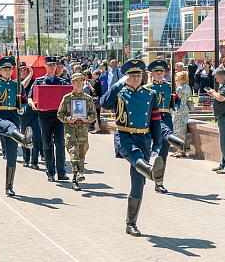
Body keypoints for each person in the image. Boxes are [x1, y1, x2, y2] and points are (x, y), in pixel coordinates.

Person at [101, 59, 164, 237]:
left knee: (138, 183)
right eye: (132, 75)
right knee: (136, 156)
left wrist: (157, 144)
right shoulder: (120, 92)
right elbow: (104, 103)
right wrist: (116, 85)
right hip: (125, 135)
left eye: (138, 75)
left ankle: (131, 223)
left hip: (143, 137)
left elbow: (155, 121)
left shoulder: (150, 94)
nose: (136, 78)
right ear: (126, 76)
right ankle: (152, 172)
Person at [0, 56, 33, 196]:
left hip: (14, 116)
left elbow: (23, 100)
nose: (8, 71)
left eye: (10, 69)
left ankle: (9, 186)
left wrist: (22, 107)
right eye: (5, 69)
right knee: (10, 128)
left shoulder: (17, 85)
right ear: (0, 70)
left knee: (11, 155)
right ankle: (24, 139)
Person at [144, 60, 191, 193]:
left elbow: (176, 100)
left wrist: (175, 106)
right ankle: (143, 176)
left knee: (163, 153)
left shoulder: (169, 87)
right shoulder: (147, 87)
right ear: (152, 73)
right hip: (151, 119)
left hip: (165, 117)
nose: (160, 74)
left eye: (162, 72)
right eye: (157, 72)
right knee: (145, 152)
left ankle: (159, 182)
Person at [28, 56, 70, 182]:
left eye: (54, 65)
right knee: (47, 144)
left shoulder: (62, 82)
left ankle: (61, 172)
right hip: (44, 116)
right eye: (50, 65)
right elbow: (30, 97)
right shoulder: (39, 82)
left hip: (58, 117)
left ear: (56, 67)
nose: (52, 67)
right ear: (46, 66)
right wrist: (32, 104)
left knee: (60, 143)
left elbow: (69, 96)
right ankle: (50, 172)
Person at [57, 72, 97, 191]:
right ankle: (77, 174)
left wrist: (88, 119)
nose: (79, 83)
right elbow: (59, 114)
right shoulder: (67, 98)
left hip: (83, 130)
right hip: (70, 128)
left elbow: (94, 114)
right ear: (72, 83)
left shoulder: (88, 99)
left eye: (81, 81)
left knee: (81, 154)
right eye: (77, 81)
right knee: (73, 150)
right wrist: (68, 119)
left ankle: (76, 179)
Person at [19, 62, 41, 169]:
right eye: (21, 70)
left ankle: (34, 161)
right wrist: (30, 75)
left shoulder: (35, 82)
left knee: (36, 137)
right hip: (24, 114)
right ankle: (26, 159)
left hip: (35, 113)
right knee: (25, 137)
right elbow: (22, 86)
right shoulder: (18, 82)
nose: (23, 72)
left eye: (25, 70)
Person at [172, 71, 192, 157]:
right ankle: (179, 149)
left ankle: (181, 150)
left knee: (178, 130)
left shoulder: (179, 88)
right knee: (181, 128)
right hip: (185, 108)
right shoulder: (187, 87)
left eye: (176, 80)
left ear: (180, 79)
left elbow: (175, 98)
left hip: (179, 108)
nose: (176, 81)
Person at [90, 70, 103, 134]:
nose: (92, 75)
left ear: (97, 75)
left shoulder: (97, 82)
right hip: (98, 99)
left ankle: (97, 127)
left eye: (94, 74)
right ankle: (96, 127)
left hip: (96, 100)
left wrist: (89, 84)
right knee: (97, 113)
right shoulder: (97, 82)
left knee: (95, 113)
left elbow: (93, 90)